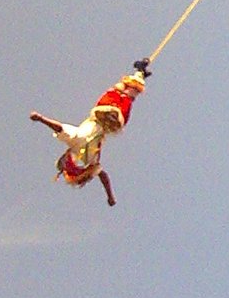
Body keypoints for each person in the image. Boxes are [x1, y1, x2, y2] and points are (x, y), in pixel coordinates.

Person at [30, 60, 151, 206]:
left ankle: (139, 72)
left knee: (122, 94)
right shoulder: (87, 156)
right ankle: (140, 73)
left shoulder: (78, 145)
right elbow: (103, 176)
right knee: (125, 96)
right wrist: (110, 196)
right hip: (108, 120)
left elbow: (59, 128)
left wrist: (41, 119)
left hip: (103, 116)